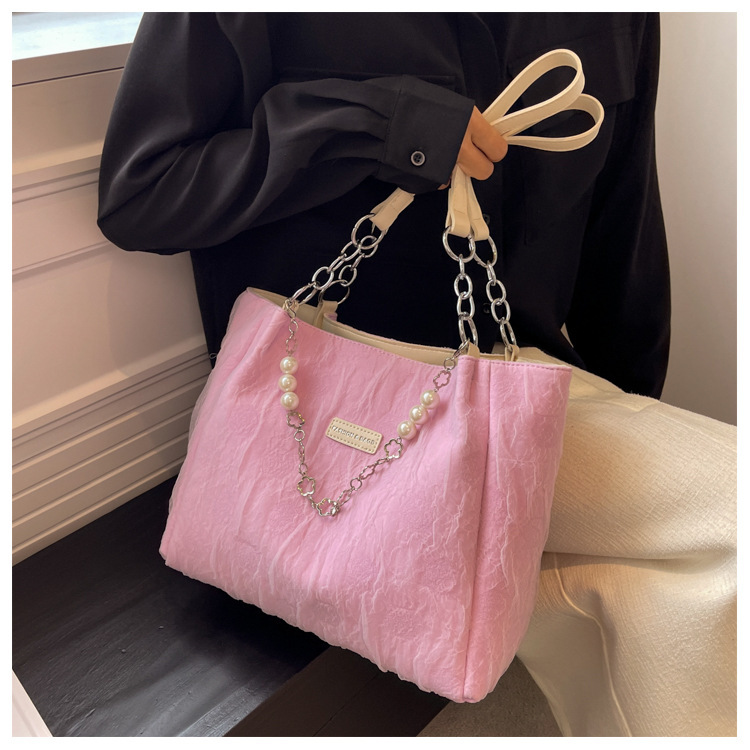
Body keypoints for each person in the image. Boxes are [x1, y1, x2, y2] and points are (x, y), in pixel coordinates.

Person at [97, 12, 736, 737]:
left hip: (519, 392)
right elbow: (140, 192)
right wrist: (374, 124)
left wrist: (639, 413)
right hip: (307, 417)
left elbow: (623, 223)